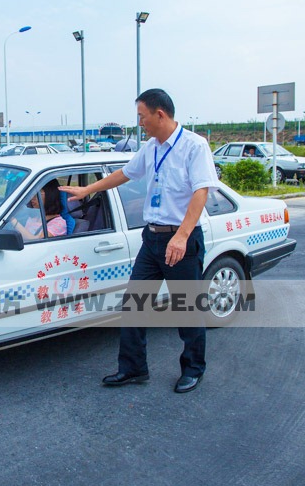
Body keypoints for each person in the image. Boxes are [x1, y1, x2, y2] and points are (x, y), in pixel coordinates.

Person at [60, 88, 218, 394]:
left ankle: (193, 369)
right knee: (134, 305)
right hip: (152, 239)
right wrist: (88, 190)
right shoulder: (151, 147)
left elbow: (201, 192)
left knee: (186, 310)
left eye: (142, 117)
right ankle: (133, 369)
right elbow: (125, 174)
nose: (140, 123)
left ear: (159, 114)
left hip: (180, 241)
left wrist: (182, 237)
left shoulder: (194, 146)